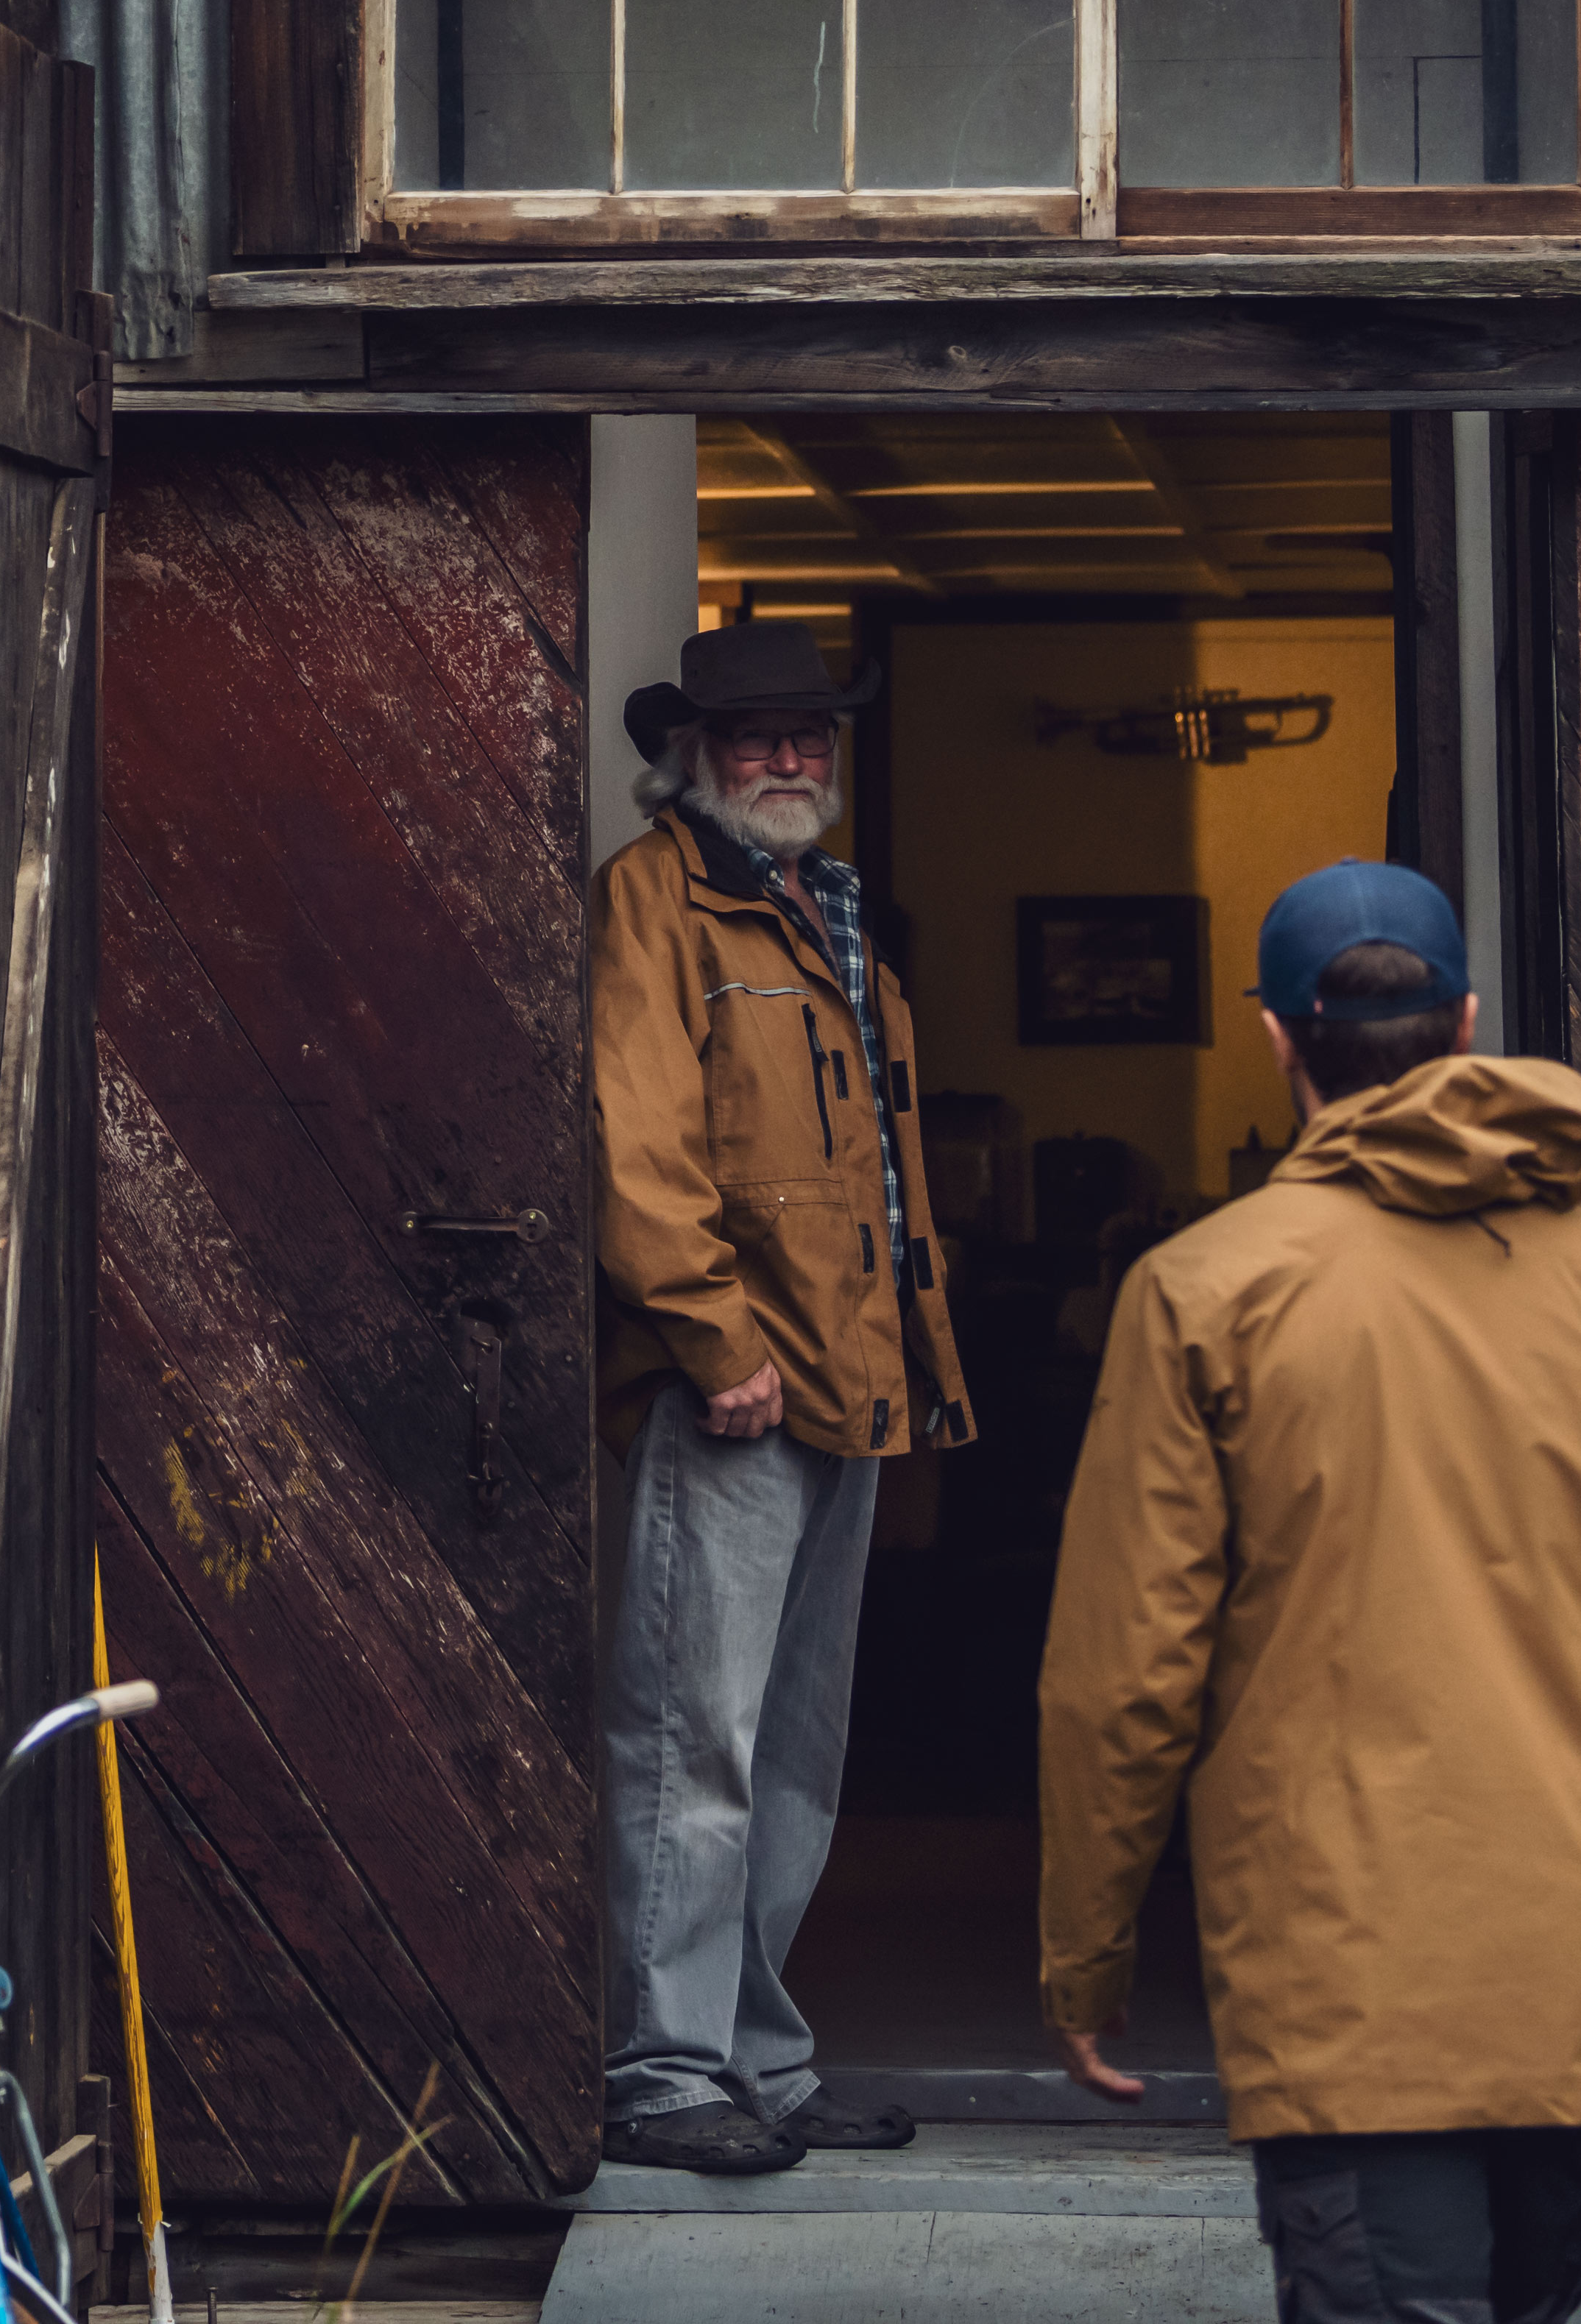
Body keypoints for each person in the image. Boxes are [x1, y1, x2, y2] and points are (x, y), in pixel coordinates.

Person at [1039, 861, 1581, 2324]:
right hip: (1573, 1949)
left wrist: (1088, 1956)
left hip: (1345, 1957)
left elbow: (1125, 1677)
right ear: (1466, 1021)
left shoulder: (1205, 1287)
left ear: (1278, 1039)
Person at [588, 620, 972, 2178]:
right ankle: (662, 2065)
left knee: (797, 1750)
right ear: (694, 756)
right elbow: (640, 1139)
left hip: (843, 1385)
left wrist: (907, 1372)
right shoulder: (654, 900)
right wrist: (710, 1334)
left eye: (810, 733)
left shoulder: (829, 914)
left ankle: (761, 2053)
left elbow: (879, 1172)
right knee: (693, 1737)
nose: (791, 759)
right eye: (757, 738)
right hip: (734, 1387)